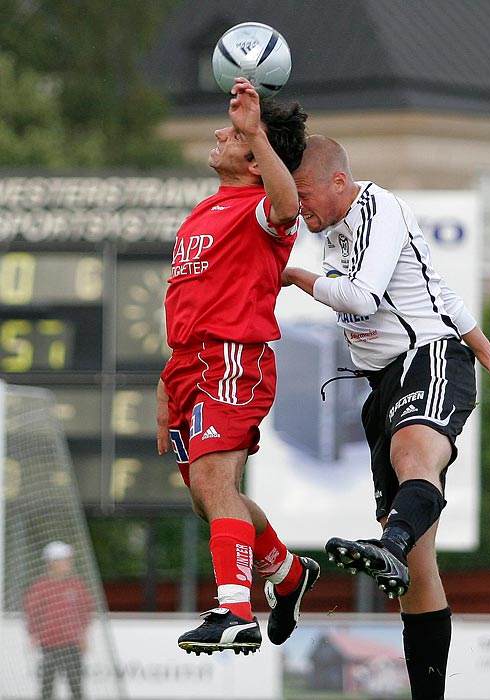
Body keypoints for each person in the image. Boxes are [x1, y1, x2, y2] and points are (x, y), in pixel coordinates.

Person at [282, 134, 490, 699]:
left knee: (413, 457)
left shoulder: (380, 207)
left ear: (337, 181)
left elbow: (361, 299)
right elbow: (438, 285)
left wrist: (298, 277)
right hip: (382, 384)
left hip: (427, 357)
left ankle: (391, 545)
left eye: (304, 192)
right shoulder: (328, 228)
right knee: (417, 573)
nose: (299, 205)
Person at [156, 78, 319, 656]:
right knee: (208, 500)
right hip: (186, 366)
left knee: (214, 483)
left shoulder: (260, 208)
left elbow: (286, 204)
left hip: (232, 357)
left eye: (233, 132)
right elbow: (187, 299)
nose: (220, 132)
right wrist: (165, 385)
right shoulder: (208, 207)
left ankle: (235, 610)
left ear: (254, 159)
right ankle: (287, 570)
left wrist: (256, 132)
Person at [23, 541, 94, 700]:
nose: (68, 563)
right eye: (63, 560)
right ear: (51, 563)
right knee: (46, 688)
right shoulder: (40, 587)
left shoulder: (77, 586)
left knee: (76, 687)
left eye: (68, 559)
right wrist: (33, 634)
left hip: (72, 644)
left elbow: (86, 611)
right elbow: (32, 612)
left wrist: (83, 635)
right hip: (49, 645)